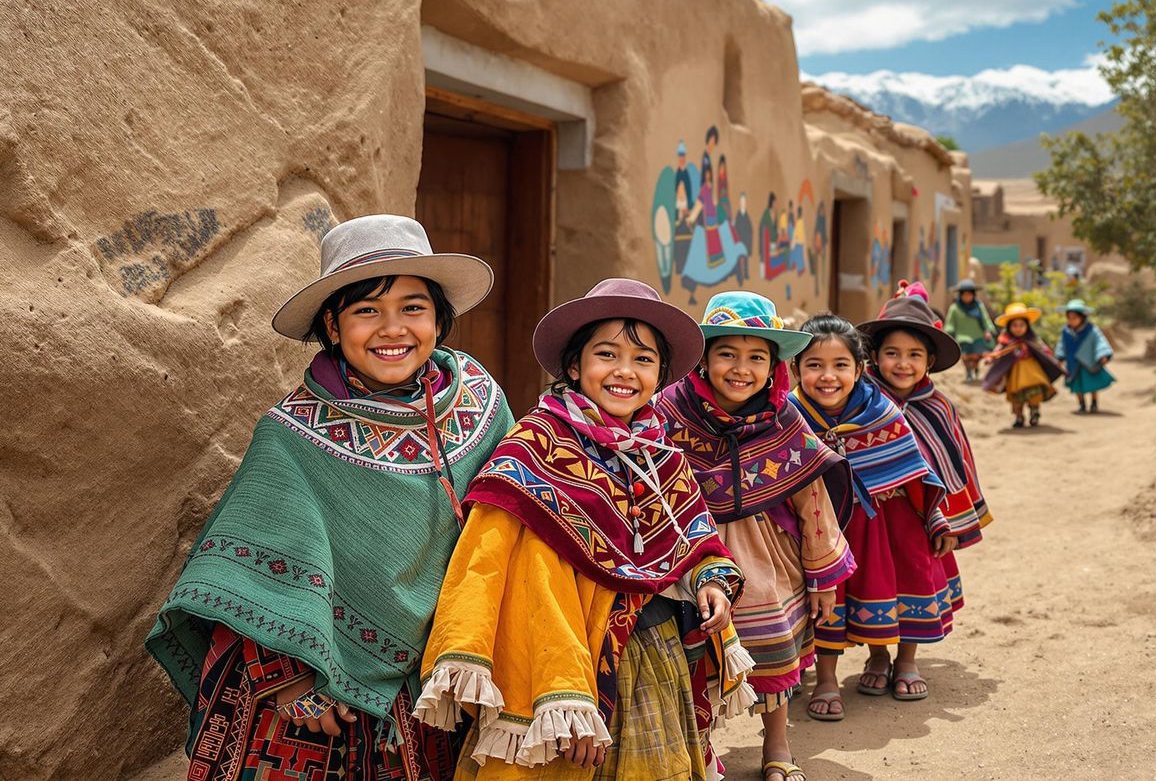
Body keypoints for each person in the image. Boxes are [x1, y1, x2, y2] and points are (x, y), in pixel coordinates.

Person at [146, 214, 515, 781]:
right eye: (367, 310)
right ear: (333, 326)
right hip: (316, 696)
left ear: (440, 320)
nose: (393, 328)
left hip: (439, 681)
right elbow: (247, 566)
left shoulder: (480, 400)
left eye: (413, 308)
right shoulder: (292, 435)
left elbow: (513, 518)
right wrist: (288, 678)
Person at [415, 279, 754, 781]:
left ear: (661, 374)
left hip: (654, 654)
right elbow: (489, 563)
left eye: (643, 359)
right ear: (574, 366)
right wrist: (564, 692)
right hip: (561, 667)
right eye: (606, 354)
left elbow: (697, 542)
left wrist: (711, 582)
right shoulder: (533, 446)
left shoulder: (662, 458)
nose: (624, 371)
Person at [658, 292, 856, 781]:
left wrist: (823, 577)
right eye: (727, 353)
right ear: (703, 358)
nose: (741, 368)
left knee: (771, 649)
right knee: (692, 651)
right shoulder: (668, 411)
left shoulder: (784, 417)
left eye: (757, 357)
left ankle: (777, 741)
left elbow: (813, 501)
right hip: (687, 550)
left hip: (767, 555)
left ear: (773, 367)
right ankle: (699, 747)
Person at [789, 311, 952, 710]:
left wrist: (935, 516)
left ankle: (905, 661)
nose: (828, 376)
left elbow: (917, 470)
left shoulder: (882, 413)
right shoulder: (789, 417)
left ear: (861, 369)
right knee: (826, 598)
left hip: (891, 519)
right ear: (795, 368)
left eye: (840, 365)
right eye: (815, 365)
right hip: (821, 528)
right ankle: (825, 679)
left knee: (904, 581)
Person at [864, 293, 992, 550]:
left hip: (926, 523)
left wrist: (949, 520)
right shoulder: (861, 403)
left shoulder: (938, 407)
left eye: (914, 355)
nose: (903, 364)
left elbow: (954, 465)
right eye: (892, 353)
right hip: (870, 520)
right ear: (875, 356)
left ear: (929, 362)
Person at [982, 302, 1065, 428]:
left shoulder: (1033, 339)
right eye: (1015, 325)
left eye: (1021, 325)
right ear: (1009, 327)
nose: (1018, 328)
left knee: (1034, 394)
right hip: (1015, 374)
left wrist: (1053, 360)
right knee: (1016, 398)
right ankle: (1019, 417)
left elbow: (1044, 350)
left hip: (1032, 372)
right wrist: (991, 359)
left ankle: (1034, 412)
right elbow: (998, 352)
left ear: (1027, 326)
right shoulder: (1006, 342)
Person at [1055, 298, 1116, 414]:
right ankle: (1082, 404)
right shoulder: (1066, 332)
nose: (1071, 321)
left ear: (1082, 317)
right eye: (1069, 318)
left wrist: (1103, 355)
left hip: (1089, 362)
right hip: (1073, 363)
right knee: (1077, 385)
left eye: (1074, 318)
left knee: (1092, 384)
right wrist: (1059, 357)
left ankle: (1094, 403)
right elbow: (1061, 345)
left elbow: (1100, 342)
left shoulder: (1092, 330)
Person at [945, 279, 997, 383]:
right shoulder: (954, 308)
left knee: (977, 355)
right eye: (964, 294)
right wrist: (949, 333)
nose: (967, 297)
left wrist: (988, 330)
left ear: (973, 295)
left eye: (969, 294)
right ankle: (968, 372)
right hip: (962, 336)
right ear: (960, 295)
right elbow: (950, 323)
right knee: (965, 356)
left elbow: (986, 319)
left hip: (978, 335)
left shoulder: (979, 306)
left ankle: (975, 367)